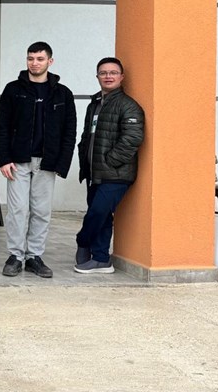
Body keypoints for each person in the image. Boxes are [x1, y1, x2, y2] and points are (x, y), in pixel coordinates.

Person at [0, 42, 77, 278]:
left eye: (40, 59)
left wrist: (62, 163)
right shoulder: (13, 89)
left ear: (50, 61)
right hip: (17, 161)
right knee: (18, 210)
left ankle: (34, 256)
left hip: (47, 162)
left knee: (41, 211)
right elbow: (2, 127)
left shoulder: (63, 93)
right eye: (30, 58)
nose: (34, 63)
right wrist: (4, 159)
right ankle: (15, 256)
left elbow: (69, 131)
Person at [74, 57, 145, 274]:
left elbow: (132, 138)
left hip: (116, 174)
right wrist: (84, 157)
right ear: (97, 77)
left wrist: (109, 161)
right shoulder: (94, 104)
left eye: (113, 72)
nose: (108, 76)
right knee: (103, 217)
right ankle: (101, 259)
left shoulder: (128, 106)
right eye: (103, 73)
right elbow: (87, 135)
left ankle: (83, 241)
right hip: (94, 172)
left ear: (121, 77)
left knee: (97, 212)